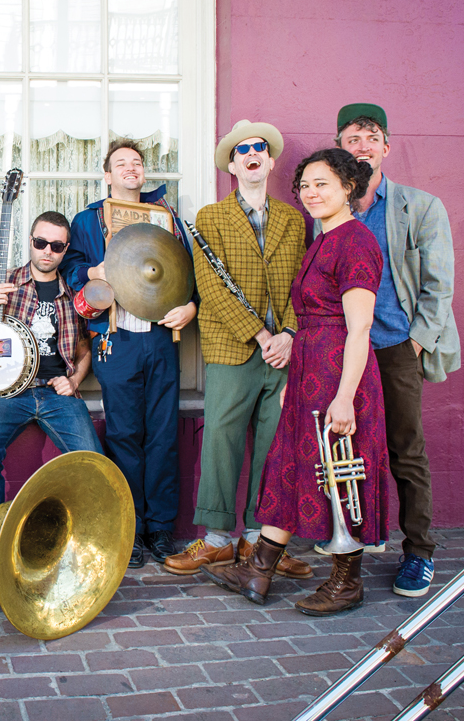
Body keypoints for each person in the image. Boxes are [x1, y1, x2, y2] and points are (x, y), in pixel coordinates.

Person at [202, 148, 390, 616]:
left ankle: (347, 581)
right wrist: (296, 379)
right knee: (287, 466)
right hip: (308, 371)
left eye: (322, 184)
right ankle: (258, 569)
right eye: (304, 185)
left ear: (348, 187)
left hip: (339, 373)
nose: (310, 193)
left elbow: (360, 328)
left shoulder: (355, 241)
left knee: (339, 470)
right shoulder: (322, 240)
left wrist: (345, 397)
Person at [163, 121, 312, 582]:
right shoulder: (211, 218)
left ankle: (260, 541)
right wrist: (260, 334)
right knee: (222, 441)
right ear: (232, 165)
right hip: (233, 348)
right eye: (242, 149)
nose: (251, 154)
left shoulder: (292, 219)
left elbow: (299, 285)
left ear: (269, 162)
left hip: (284, 352)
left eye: (260, 149)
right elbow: (211, 286)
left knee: (274, 446)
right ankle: (217, 541)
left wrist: (287, 332)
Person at [325, 103, 460, 597]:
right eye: (351, 139)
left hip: (396, 347)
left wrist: (418, 343)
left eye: (370, 137)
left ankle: (419, 553)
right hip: (342, 352)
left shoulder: (420, 207)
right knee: (348, 450)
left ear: (386, 145)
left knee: (406, 451)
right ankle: (353, 549)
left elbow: (438, 286)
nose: (361, 146)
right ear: (340, 148)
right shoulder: (327, 207)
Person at [61, 140, 197, 568]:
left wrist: (191, 305)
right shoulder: (88, 219)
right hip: (114, 338)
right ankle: (130, 528)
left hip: (159, 338)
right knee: (123, 435)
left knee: (161, 433)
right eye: (121, 164)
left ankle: (160, 529)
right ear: (107, 175)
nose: (131, 169)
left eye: (136, 163)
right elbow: (69, 267)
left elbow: (189, 268)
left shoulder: (166, 217)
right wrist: (93, 271)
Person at [0, 211, 102, 521]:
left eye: (57, 246)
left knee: (93, 461)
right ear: (31, 242)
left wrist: (74, 381)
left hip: (56, 392)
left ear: (66, 248)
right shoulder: (0, 282)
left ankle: (83, 538)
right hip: (7, 393)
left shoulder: (74, 294)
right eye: (41, 242)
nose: (48, 251)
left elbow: (85, 347)